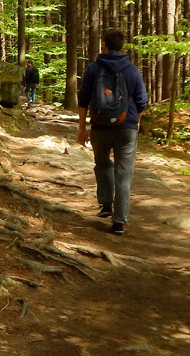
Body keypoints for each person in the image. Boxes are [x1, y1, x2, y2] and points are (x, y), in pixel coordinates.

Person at [77, 28, 148, 236]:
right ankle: (119, 222)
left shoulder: (93, 69)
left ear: (104, 45)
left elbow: (83, 101)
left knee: (102, 164)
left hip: (100, 127)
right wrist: (137, 121)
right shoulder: (132, 70)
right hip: (126, 128)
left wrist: (82, 128)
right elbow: (142, 101)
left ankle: (106, 203)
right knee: (123, 175)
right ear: (122, 47)